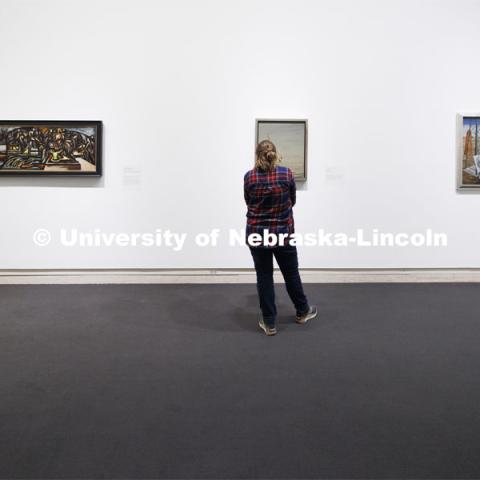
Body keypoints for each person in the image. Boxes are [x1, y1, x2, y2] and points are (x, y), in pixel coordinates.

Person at [244, 139, 317, 336]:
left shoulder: (250, 177)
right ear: (275, 154)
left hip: (257, 234)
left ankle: (269, 322)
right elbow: (292, 200)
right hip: (283, 233)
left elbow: (248, 202)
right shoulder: (286, 174)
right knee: (291, 273)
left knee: (264, 276)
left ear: (257, 155)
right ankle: (302, 311)